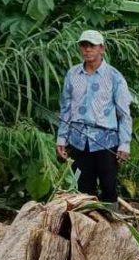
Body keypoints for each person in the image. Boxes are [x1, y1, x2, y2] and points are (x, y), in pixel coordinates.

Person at [56, 30, 133, 206]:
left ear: (101, 48)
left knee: (109, 187)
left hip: (106, 141)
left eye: (92, 46)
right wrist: (61, 138)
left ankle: (111, 226)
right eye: (84, 45)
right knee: (82, 189)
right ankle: (87, 227)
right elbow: (65, 108)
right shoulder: (72, 74)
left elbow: (124, 113)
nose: (87, 50)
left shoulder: (114, 77)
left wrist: (124, 144)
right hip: (78, 140)